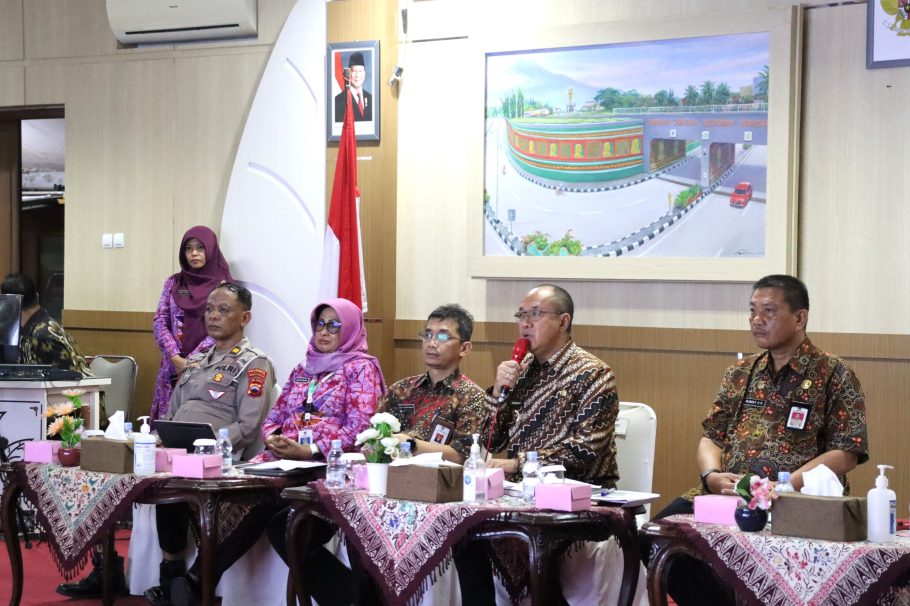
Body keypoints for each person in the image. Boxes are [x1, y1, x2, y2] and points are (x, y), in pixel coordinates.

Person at [654, 274, 869, 606]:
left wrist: (781, 486)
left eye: (768, 311)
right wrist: (711, 476)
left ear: (800, 317)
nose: (756, 320)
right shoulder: (740, 373)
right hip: (731, 494)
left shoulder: (834, 373)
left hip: (795, 500)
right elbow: (712, 437)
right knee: (656, 536)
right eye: (753, 311)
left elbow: (847, 451)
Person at [144, 282, 273, 606]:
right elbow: (172, 413)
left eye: (223, 310)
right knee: (161, 479)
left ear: (245, 318)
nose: (213, 316)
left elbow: (248, 425)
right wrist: (159, 439)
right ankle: (171, 577)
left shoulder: (254, 364)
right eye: (210, 309)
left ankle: (182, 587)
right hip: (178, 450)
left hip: (216, 457)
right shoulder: (197, 360)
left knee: (176, 477)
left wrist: (208, 445)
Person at [260, 298, 384, 606]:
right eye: (319, 324)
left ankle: (356, 600)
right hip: (284, 463)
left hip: (330, 470)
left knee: (285, 528)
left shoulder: (361, 369)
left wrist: (310, 450)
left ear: (350, 329)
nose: (324, 332)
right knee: (250, 504)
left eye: (334, 325)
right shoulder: (303, 368)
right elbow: (274, 417)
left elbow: (359, 430)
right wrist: (273, 438)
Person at [0, 273, 117, 598]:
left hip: (74, 414)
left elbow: (72, 381)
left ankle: (104, 566)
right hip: (54, 411)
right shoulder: (28, 328)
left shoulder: (44, 331)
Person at [485, 284, 619, 487]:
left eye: (535, 314)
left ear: (563, 322)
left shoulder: (594, 373)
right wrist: (498, 395)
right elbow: (492, 442)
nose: (525, 323)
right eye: (521, 315)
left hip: (579, 493)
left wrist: (519, 464)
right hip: (522, 489)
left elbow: (587, 448)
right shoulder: (521, 370)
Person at [151, 226, 232, 421]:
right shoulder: (174, 282)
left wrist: (191, 362)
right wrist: (175, 357)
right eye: (188, 248)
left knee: (198, 422)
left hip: (209, 366)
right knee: (167, 422)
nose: (194, 253)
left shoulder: (224, 288)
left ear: (211, 249)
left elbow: (223, 328)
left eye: (200, 247)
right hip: (172, 365)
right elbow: (160, 320)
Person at [0, 272, 91, 376]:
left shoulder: (43, 335)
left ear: (10, 304)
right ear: (36, 296)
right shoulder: (40, 326)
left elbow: (67, 378)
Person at [333, 51, 372, 122]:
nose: (357, 75)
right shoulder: (338, 101)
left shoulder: (371, 98)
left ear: (364, 73)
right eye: (354, 71)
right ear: (349, 74)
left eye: (360, 71)